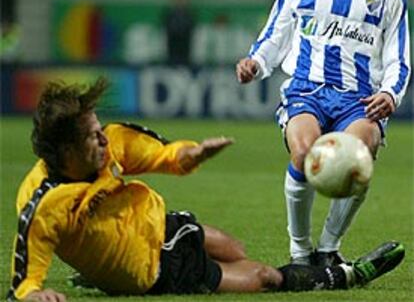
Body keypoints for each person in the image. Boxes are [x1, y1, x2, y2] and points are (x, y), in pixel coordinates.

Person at [7, 78, 405, 302]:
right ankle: (344, 276)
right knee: (263, 277)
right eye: (92, 138)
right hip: (154, 270)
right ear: (65, 152)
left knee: (235, 250)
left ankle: (94, 274)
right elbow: (25, 276)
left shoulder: (109, 144)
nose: (103, 140)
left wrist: (191, 154)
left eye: (99, 131)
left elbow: (162, 155)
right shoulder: (45, 203)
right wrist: (33, 295)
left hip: (158, 227)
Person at [236, 0, 411, 267]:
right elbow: (275, 35)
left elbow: (400, 57)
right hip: (307, 90)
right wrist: (256, 62)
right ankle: (300, 252)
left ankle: (329, 248)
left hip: (360, 98)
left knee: (359, 158)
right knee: (303, 153)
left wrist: (389, 94)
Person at [163, 0, 196, 65]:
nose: (180, 2)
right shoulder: (169, 14)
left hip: (185, 48)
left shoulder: (190, 15)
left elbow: (192, 28)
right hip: (172, 48)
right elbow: (166, 27)